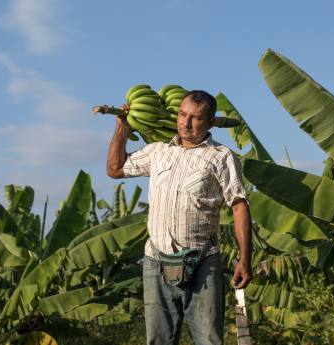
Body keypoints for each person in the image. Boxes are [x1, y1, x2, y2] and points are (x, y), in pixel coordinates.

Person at [106, 90, 253, 345]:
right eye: (182, 115)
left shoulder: (222, 157)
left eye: (195, 118)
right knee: (159, 341)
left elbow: (239, 205)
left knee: (209, 340)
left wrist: (245, 258)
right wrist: (122, 130)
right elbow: (115, 169)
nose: (185, 123)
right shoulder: (158, 151)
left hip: (202, 263)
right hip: (155, 262)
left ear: (210, 123)